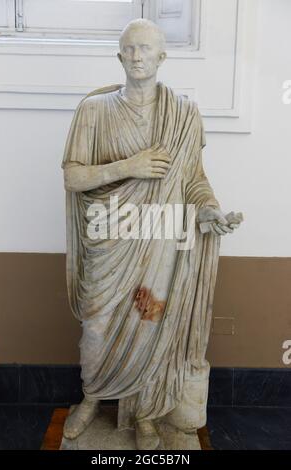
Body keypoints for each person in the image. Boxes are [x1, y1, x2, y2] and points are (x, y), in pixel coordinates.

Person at [61, 19, 241, 450]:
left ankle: (145, 415)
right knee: (96, 325)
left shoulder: (184, 114)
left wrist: (210, 209)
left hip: (161, 241)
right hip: (108, 239)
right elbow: (72, 176)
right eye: (129, 48)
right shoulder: (94, 111)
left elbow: (193, 179)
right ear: (119, 56)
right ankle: (90, 398)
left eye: (146, 49)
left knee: (151, 324)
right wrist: (129, 166)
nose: (137, 55)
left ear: (162, 57)